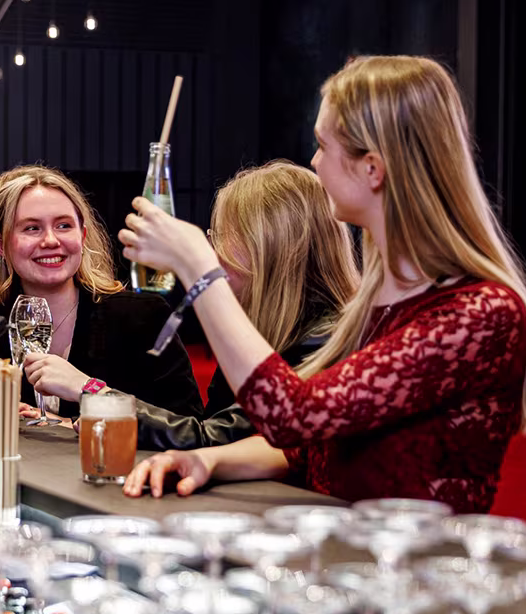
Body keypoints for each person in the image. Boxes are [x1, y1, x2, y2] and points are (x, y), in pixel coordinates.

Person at [120, 56, 526, 512]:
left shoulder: (479, 313)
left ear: (372, 169)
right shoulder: (382, 296)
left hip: (417, 571)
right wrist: (211, 461)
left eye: (324, 146)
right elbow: (316, 444)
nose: (314, 161)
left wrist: (201, 272)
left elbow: (294, 416)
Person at [133, 161, 358, 450]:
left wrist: (95, 395)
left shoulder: (324, 342)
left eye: (223, 236)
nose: (215, 253)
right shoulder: (259, 322)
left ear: (271, 246)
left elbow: (211, 441)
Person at [0, 165, 204, 420]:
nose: (50, 240)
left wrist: (90, 395)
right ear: (1, 244)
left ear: (82, 237)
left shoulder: (143, 316)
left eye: (63, 225)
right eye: (32, 228)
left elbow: (187, 424)